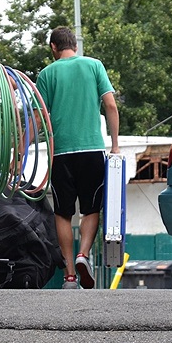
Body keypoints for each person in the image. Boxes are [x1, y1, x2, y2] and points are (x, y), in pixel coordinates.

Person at [36, 26, 120, 289]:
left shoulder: (47, 74)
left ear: (53, 47)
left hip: (61, 153)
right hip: (92, 150)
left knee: (62, 213)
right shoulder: (95, 66)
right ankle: (84, 253)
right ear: (74, 44)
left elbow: (40, 117)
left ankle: (70, 274)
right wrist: (115, 146)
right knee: (91, 208)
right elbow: (110, 105)